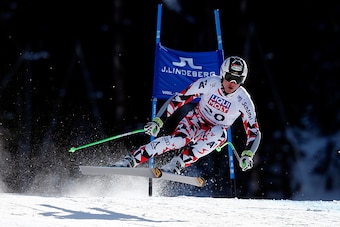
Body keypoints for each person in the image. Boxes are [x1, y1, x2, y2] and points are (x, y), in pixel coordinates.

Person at [113, 56, 261, 174]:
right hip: (195, 119)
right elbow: (180, 98)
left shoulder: (244, 100)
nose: (232, 83)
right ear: (223, 73)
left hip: (215, 131)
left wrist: (248, 154)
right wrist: (159, 120)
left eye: (238, 79)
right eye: (229, 76)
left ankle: (178, 162)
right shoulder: (210, 83)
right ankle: (132, 159)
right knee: (177, 141)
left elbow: (254, 131)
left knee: (220, 134)